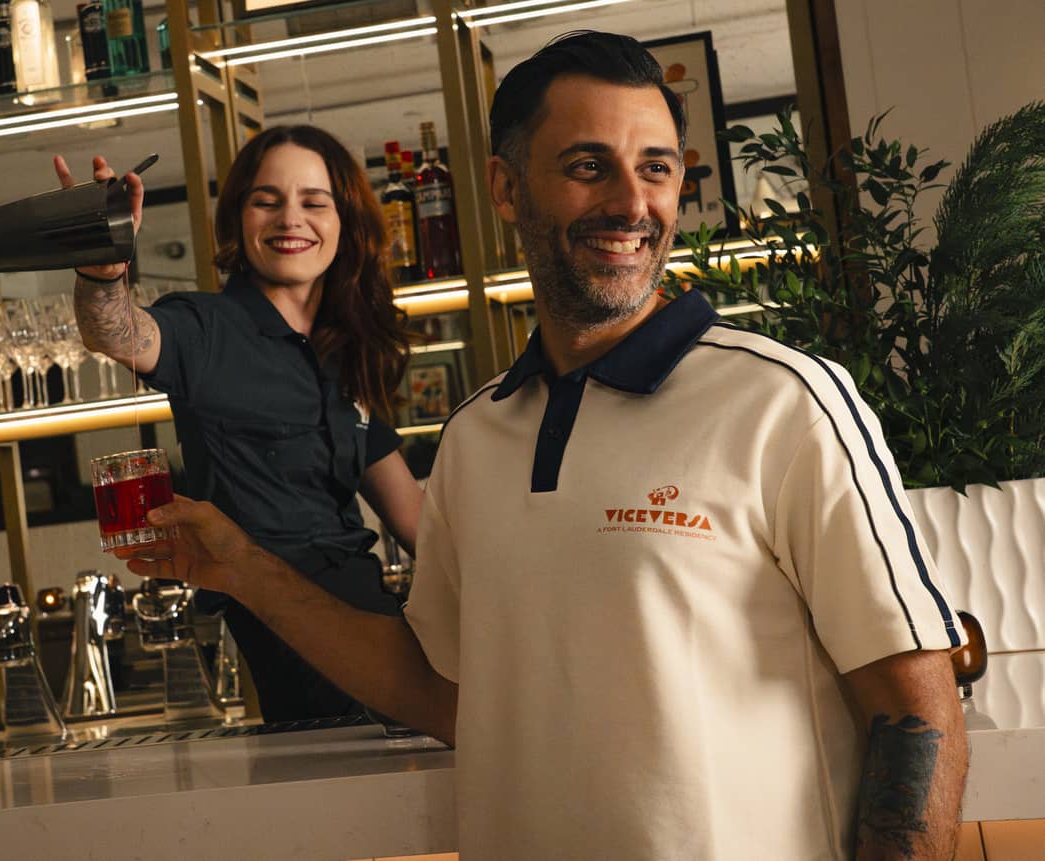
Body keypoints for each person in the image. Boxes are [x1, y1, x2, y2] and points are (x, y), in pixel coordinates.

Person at [126, 31, 970, 861]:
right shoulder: (476, 438)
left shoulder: (785, 401)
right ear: (504, 187)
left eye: (658, 168)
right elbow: (442, 690)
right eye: (588, 165)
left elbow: (916, 706)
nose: (633, 204)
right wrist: (238, 566)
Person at [53, 125, 424, 722]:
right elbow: (119, 333)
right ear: (238, 220)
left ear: (345, 222)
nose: (290, 219)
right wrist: (102, 274)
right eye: (266, 200)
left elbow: (417, 526)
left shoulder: (342, 350)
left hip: (379, 633)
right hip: (294, 644)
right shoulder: (207, 329)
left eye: (313, 201)